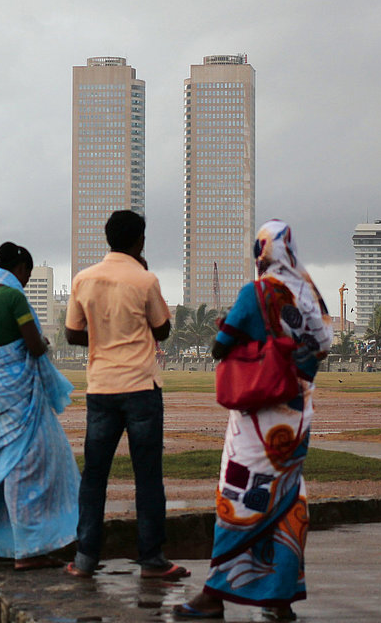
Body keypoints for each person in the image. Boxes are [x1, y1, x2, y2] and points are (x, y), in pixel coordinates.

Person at [174, 220, 332, 620]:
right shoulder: (308, 292)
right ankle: (279, 600)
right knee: (286, 497)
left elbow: (219, 346)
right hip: (295, 416)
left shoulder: (256, 292)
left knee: (240, 494)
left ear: (261, 251)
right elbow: (323, 344)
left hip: (257, 416)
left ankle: (213, 594)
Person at [64, 210, 185, 580]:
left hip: (101, 387)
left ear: (107, 238)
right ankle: (151, 558)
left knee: (95, 474)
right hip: (141, 387)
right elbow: (162, 331)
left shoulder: (84, 279)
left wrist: (101, 336)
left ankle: (85, 558)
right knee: (147, 475)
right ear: (140, 241)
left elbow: (72, 333)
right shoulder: (144, 279)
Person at [0, 242, 79, 570]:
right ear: (22, 268)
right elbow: (33, 345)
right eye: (27, 273)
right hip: (17, 394)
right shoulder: (14, 297)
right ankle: (29, 550)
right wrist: (42, 342)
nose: (27, 279)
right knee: (27, 468)